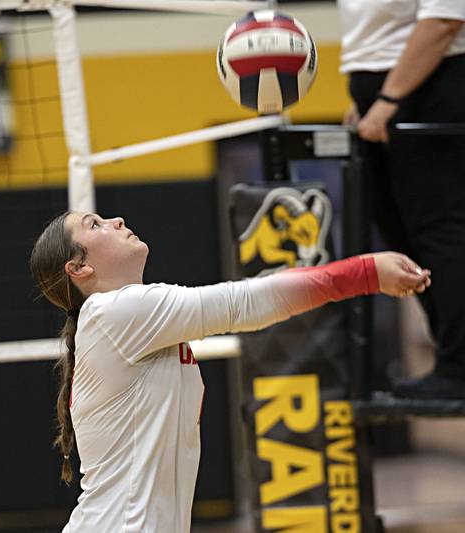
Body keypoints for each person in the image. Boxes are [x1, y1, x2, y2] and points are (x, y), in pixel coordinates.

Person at [29, 211, 431, 533]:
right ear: (78, 268)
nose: (116, 220)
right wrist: (365, 272)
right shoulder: (112, 313)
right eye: (94, 225)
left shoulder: (123, 321)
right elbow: (243, 303)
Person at [338, 1, 465, 398]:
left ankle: (457, 369)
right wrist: (366, 99)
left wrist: (390, 99)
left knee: (440, 227)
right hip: (389, 88)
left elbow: (444, 20)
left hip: (428, 87)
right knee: (401, 232)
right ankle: (451, 358)